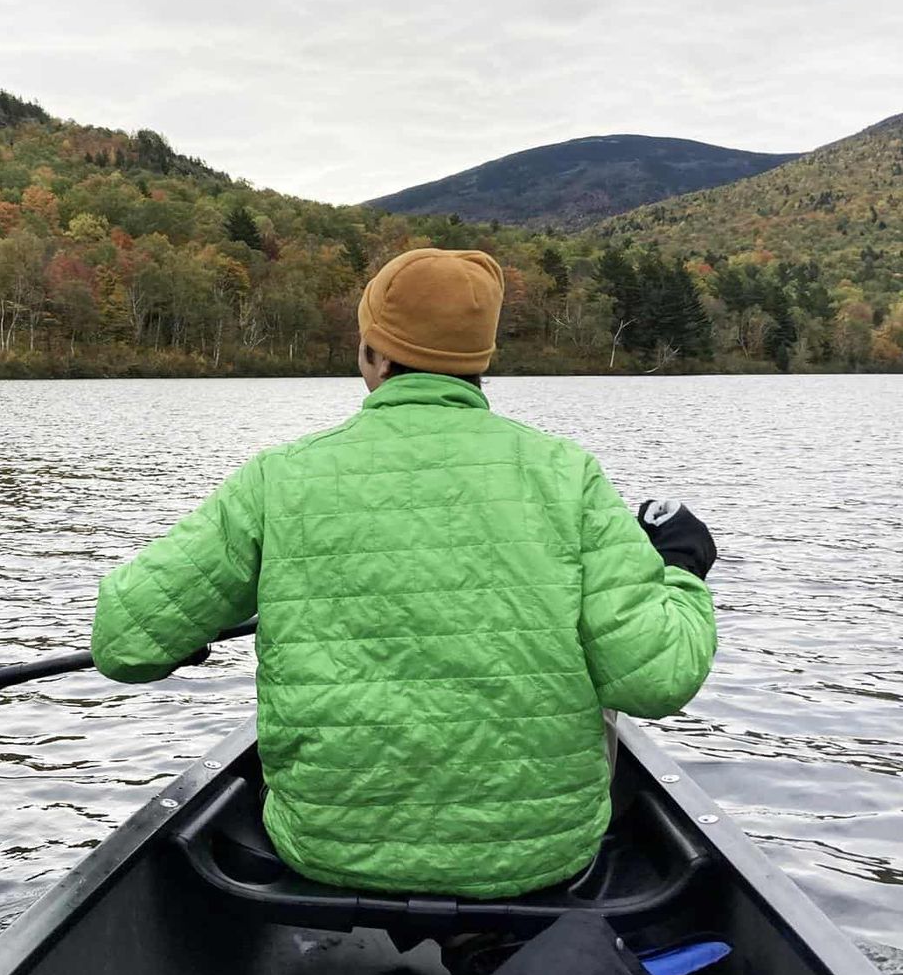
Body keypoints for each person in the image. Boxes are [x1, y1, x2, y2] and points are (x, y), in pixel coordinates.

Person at [91, 247, 717, 901]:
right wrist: (680, 569)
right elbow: (656, 676)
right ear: (480, 360)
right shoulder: (568, 474)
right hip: (540, 857)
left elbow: (124, 643)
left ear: (373, 355)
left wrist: (188, 631)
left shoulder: (280, 477)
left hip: (324, 847)